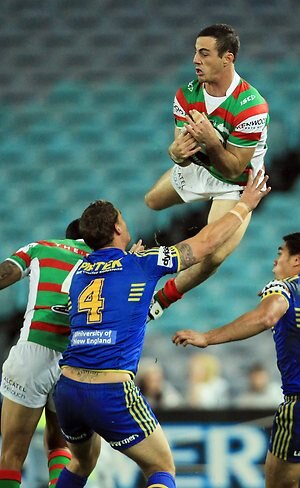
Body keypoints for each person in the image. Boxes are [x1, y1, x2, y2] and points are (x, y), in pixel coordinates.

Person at [52, 170, 270, 488]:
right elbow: (205, 244)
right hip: (110, 389)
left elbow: (107, 298)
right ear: (117, 227)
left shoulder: (78, 271)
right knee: (161, 467)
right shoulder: (142, 262)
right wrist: (244, 205)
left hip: (68, 388)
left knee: (81, 462)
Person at [173, 232, 300, 488]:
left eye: (280, 253)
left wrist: (207, 337)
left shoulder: (285, 287)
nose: (275, 261)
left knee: (279, 483)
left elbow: (266, 317)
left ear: (297, 259)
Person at [145, 23, 269, 321]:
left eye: (204, 53)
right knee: (151, 201)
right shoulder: (186, 95)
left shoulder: (251, 106)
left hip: (237, 183)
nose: (195, 60)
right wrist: (175, 153)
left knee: (213, 256)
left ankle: (159, 300)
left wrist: (212, 142)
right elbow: (181, 152)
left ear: (228, 58)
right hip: (201, 168)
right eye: (195, 53)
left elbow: (233, 167)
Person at [0, 220, 91, 488]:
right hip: (76, 358)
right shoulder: (104, 262)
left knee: (12, 453)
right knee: (59, 443)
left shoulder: (42, 248)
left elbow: (6, 272)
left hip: (35, 350)